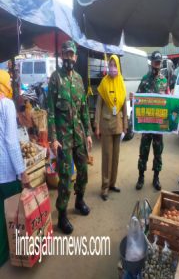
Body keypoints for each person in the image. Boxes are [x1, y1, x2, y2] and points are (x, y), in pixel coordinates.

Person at [47, 40, 93, 234]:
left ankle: (80, 200)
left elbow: (84, 110)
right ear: (62, 55)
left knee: (83, 172)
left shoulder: (79, 80)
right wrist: (53, 138)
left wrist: (89, 134)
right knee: (65, 179)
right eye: (65, 54)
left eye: (71, 54)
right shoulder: (55, 79)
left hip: (79, 136)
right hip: (63, 140)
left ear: (75, 57)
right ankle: (62, 215)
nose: (68, 58)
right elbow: (50, 111)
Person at [0, 70, 28, 266]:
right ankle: (10, 252)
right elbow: (11, 142)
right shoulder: (6, 104)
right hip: (6, 173)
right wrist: (22, 171)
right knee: (11, 215)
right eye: (8, 81)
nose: (10, 83)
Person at [95, 55, 127, 201]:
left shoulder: (121, 82)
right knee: (107, 157)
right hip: (106, 125)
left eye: (115, 65)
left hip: (118, 125)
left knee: (115, 157)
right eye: (111, 65)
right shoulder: (104, 82)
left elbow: (124, 107)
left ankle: (113, 183)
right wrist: (96, 126)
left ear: (118, 66)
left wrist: (126, 125)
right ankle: (105, 187)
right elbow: (98, 107)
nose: (112, 68)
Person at [134, 51, 168, 191]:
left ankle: (156, 178)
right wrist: (133, 98)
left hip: (159, 125)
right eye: (155, 62)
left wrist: (177, 102)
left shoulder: (164, 81)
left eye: (159, 63)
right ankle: (141, 177)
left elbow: (168, 99)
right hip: (147, 124)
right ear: (151, 62)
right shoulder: (144, 79)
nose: (157, 65)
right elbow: (138, 98)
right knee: (144, 151)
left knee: (158, 152)